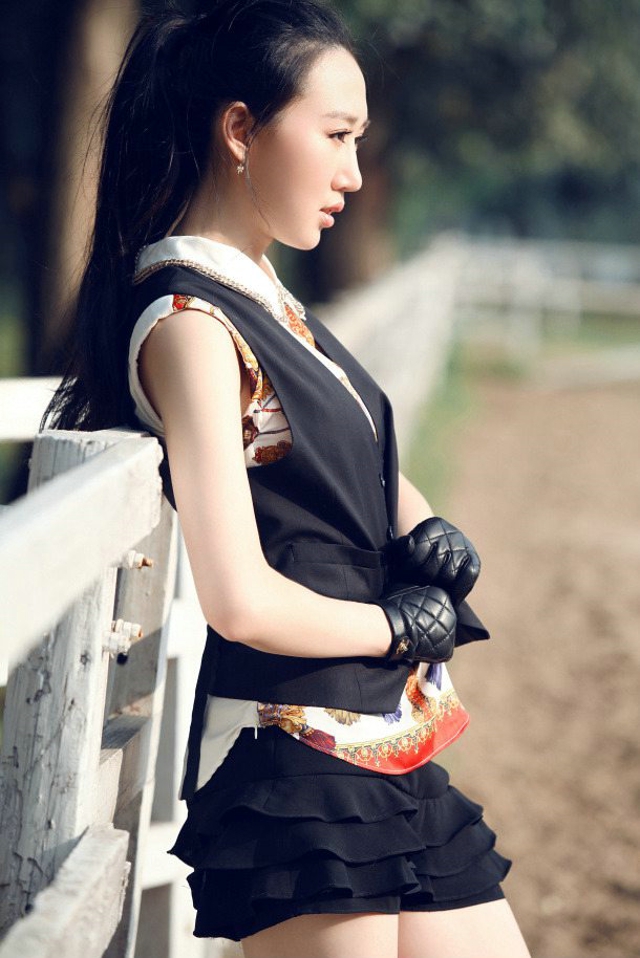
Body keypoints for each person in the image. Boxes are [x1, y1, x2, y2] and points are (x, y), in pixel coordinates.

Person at [43, 2, 531, 956]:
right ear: (240, 130)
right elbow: (239, 598)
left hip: (378, 733)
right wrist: (393, 626)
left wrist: (424, 527)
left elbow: (343, 470)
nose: (354, 173)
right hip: (291, 758)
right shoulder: (190, 323)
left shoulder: (266, 301)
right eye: (337, 136)